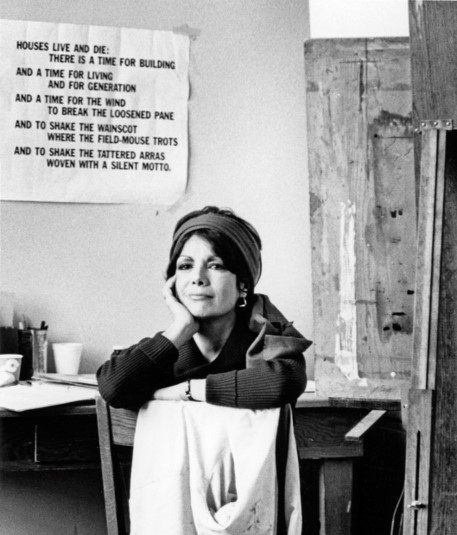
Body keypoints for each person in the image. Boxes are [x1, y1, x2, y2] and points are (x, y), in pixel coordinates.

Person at [97, 206, 311, 411]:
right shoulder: (169, 347)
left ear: (243, 284)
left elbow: (284, 380)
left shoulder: (268, 343)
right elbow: (113, 386)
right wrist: (181, 328)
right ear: (172, 282)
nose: (197, 278)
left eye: (215, 265)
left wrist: (187, 390)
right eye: (185, 266)